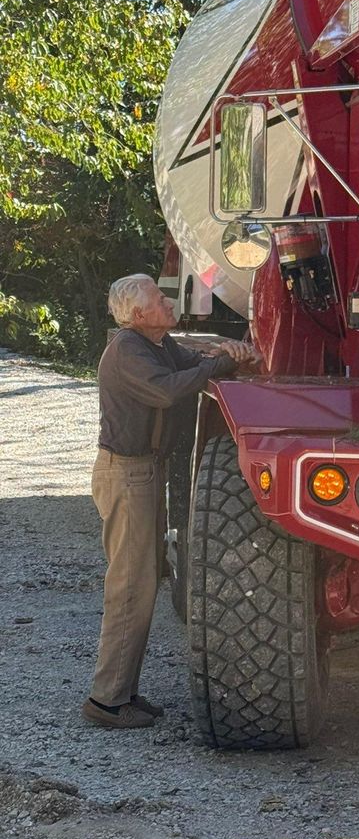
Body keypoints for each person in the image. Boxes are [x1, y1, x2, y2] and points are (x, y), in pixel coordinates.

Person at [83, 273, 257, 729]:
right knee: (131, 587)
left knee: (142, 582)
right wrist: (220, 365)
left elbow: (191, 363)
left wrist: (225, 355)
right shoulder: (128, 350)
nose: (167, 301)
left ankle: (120, 695)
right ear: (139, 315)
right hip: (128, 475)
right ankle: (106, 701)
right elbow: (168, 388)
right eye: (159, 299)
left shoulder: (156, 344)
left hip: (142, 474)